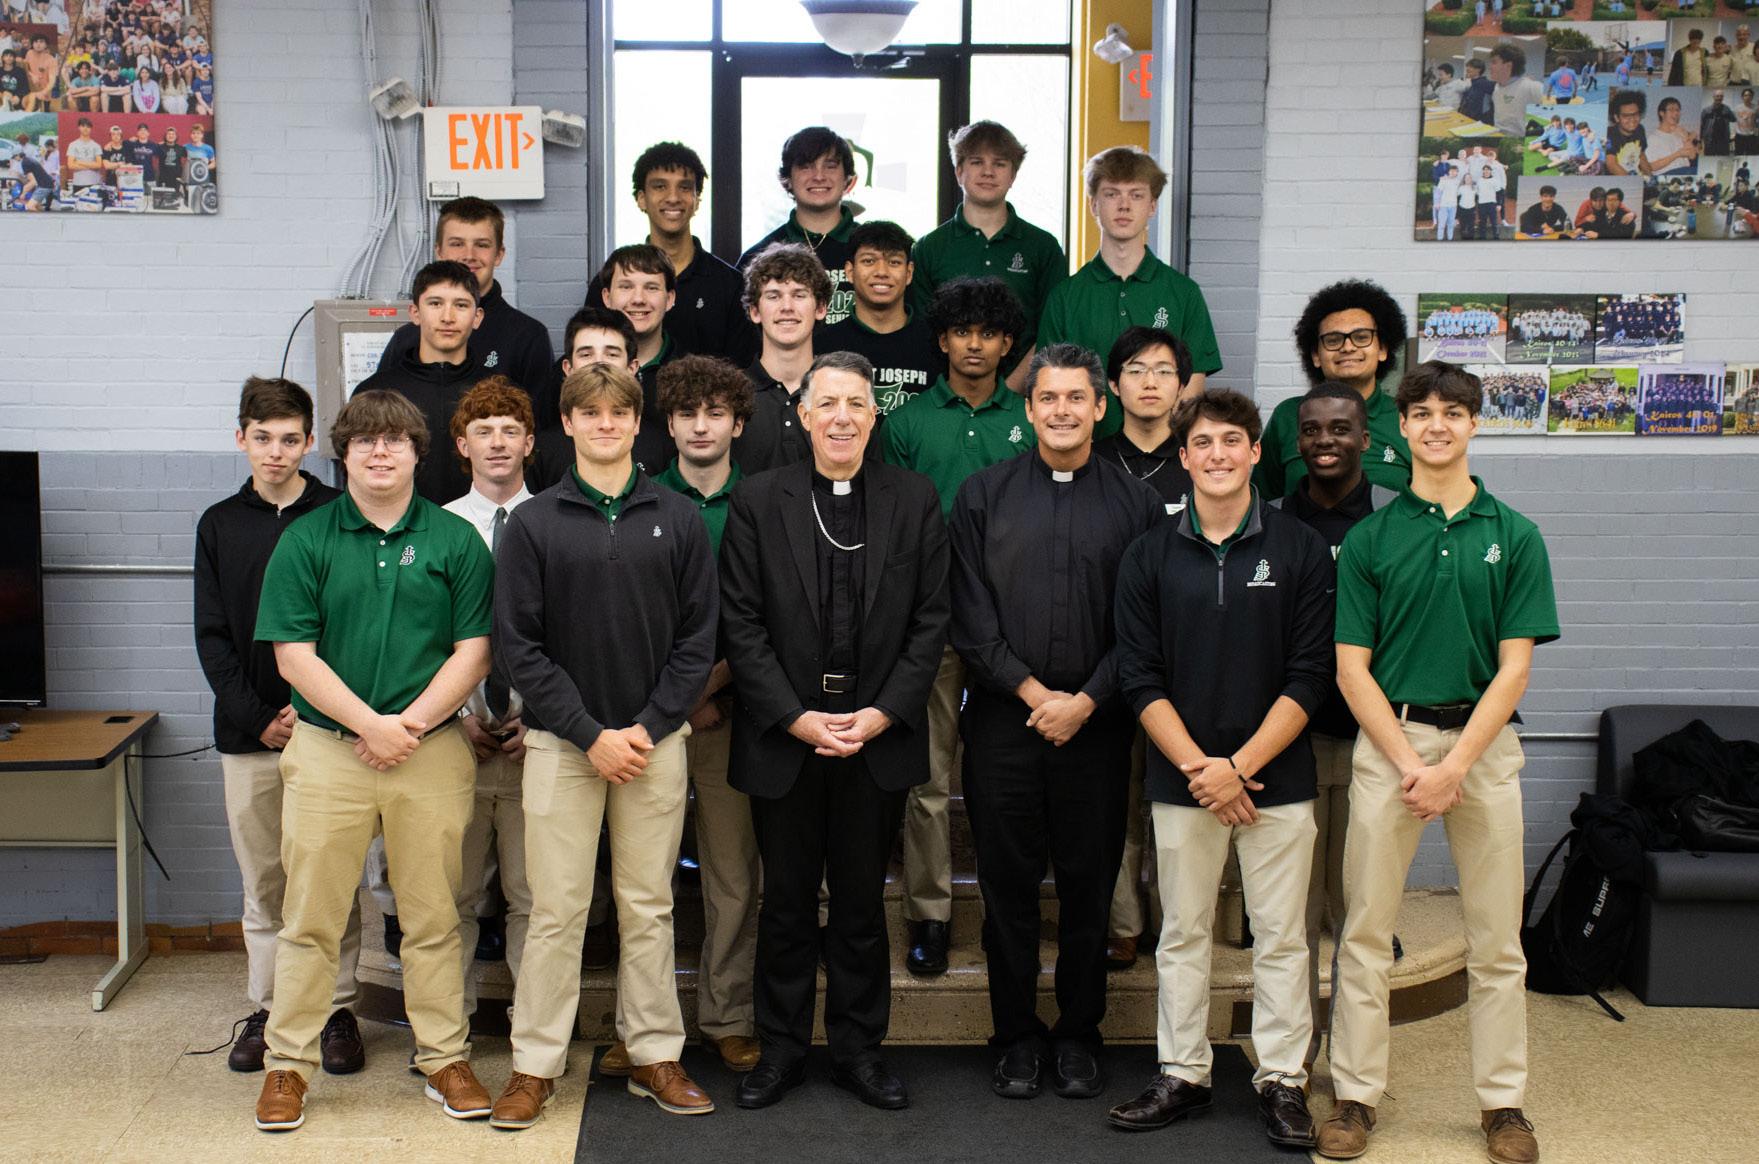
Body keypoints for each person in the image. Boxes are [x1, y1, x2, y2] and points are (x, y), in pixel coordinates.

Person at [1317, 362, 1558, 1164]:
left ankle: (1502, 1104)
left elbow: (1514, 669)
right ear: (1402, 427)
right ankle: (1354, 1095)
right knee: (1363, 932)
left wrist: (1454, 766)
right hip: (1391, 745)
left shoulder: (1514, 534)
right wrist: (1409, 762)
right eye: (1420, 413)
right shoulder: (1371, 539)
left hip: (1481, 749)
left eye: (1452, 413)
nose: (1436, 426)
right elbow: (1350, 669)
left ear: (1474, 424)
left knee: (1496, 941)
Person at [251, 390, 495, 1133]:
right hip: (330, 752)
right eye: (365, 441)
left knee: (434, 916)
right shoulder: (307, 539)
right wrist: (369, 726)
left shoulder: (456, 540)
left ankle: (444, 1057)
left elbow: (475, 650)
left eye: (395, 441)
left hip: (431, 752)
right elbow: (293, 656)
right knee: (311, 918)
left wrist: (408, 726)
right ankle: (287, 1066)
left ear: (419, 452)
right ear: (344, 453)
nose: (380, 452)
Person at [719, 351, 950, 1112]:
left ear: (874, 416)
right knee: (785, 903)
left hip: (874, 737)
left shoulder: (913, 498)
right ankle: (781, 1049)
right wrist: (794, 717)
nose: (842, 417)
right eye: (828, 404)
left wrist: (883, 713)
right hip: (785, 737)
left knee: (859, 905)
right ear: (805, 415)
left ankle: (858, 1050)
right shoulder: (758, 499)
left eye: (856, 404)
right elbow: (741, 623)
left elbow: (931, 620)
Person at [490, 362, 719, 1127]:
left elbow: (698, 640)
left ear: (636, 422)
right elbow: (519, 647)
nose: (605, 424)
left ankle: (653, 1054)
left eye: (618, 412)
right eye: (589, 413)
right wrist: (590, 735)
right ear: (567, 424)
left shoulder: (677, 517)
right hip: (562, 748)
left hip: (655, 744)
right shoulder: (533, 522)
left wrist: (646, 727)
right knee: (555, 910)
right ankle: (534, 1066)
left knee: (648, 906)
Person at [1108, 390, 1334, 1149]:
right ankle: (1183, 1073)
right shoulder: (1148, 554)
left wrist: (1237, 767)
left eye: (1232, 441)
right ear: (1183, 457)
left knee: (1282, 937)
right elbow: (1138, 677)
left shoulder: (1299, 548)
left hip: (1278, 780)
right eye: (1202, 443)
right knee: (1182, 933)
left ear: (1255, 452)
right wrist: (1200, 769)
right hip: (1182, 781)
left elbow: (1310, 675)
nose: (1217, 455)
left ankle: (1282, 1080)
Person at [949, 344, 1162, 1101]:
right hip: (1003, 725)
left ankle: (1077, 1032)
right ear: (1029, 408)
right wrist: (1036, 693)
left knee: (1087, 885)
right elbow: (969, 614)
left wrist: (1085, 701)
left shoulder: (1137, 504)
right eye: (1049, 398)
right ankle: (1013, 1035)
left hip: (1097, 728)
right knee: (1005, 887)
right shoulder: (982, 495)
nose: (1062, 410)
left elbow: (1144, 624)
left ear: (1101, 407)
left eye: (1077, 397)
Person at [194, 378, 362, 1078]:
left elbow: (351, 626)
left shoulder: (337, 515)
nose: (276, 452)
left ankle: (338, 1010)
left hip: (327, 732)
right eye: (262, 438)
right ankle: (268, 1008)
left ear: (309, 442)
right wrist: (258, 718)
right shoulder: (218, 524)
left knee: (329, 880)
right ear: (241, 439)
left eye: (290, 439)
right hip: (249, 737)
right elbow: (212, 637)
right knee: (265, 882)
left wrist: (316, 709)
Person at [882, 276, 1033, 976]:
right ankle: (930, 915)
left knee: (1012, 778)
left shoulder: (1030, 420)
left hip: (1013, 624)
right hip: (933, 620)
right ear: (942, 340)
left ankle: (1013, 910)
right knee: (928, 779)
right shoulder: (907, 423)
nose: (975, 344)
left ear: (1007, 343)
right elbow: (892, 531)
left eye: (989, 333)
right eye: (962, 332)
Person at [1265, 382, 1401, 1070]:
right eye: (1313, 429)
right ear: (1297, 441)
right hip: (1287, 743)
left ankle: (1351, 1059)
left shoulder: (1390, 525)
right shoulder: (1270, 525)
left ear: (1365, 440)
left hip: (1370, 742)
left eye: (1340, 429)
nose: (1325, 440)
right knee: (1289, 918)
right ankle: (1293, 1057)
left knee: (1358, 916)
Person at [649, 355, 763, 1075]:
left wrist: (707, 693)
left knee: (732, 876)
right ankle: (646, 1025)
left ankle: (728, 1017)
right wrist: (674, 701)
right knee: (646, 881)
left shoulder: (763, 503)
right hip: (647, 721)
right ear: (668, 424)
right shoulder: (639, 500)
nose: (700, 426)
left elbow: (769, 616)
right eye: (688, 413)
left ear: (737, 424)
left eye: (715, 413)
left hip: (728, 715)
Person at [440, 376, 538, 1022]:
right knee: (452, 897)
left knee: (537, 899)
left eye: (510, 430)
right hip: (457, 741)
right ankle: (446, 1032)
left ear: (529, 442)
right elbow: (423, 638)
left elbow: (574, 635)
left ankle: (536, 1033)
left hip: (539, 740)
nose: (497, 442)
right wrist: (452, 718)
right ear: (462, 444)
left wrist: (545, 717)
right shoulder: (439, 527)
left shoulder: (557, 520)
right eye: (483, 431)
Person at [1041, 146, 1219, 441]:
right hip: (1085, 453)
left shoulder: (1184, 293)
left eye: (1136, 195)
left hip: (1163, 455)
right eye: (1112, 194)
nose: (1124, 206)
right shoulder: (1064, 297)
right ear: (1094, 205)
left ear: (1152, 206)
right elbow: (1050, 385)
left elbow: (1192, 389)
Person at [373, 197, 560, 431]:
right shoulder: (408, 338)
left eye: (482, 244)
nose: (468, 255)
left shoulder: (528, 336)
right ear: (439, 251)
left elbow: (539, 426)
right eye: (457, 243)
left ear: (499, 254)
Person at [910, 120, 1067, 387]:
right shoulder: (928, 248)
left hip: (1023, 394)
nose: (988, 172)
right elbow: (923, 332)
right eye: (977, 162)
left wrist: (1011, 390)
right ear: (959, 171)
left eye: (999, 164)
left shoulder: (1043, 246)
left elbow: (1053, 329)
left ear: (1013, 175)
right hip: (946, 394)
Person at [586, 141, 754, 365]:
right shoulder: (609, 283)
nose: (673, 197)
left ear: (697, 200)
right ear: (641, 199)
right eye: (660, 186)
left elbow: (742, 370)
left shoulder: (730, 285)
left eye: (684, 187)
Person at [1258, 279, 1412, 500]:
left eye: (1361, 337)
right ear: (1315, 356)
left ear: (1383, 350)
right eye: (1333, 340)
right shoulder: (1287, 416)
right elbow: (1264, 503)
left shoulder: (1405, 418)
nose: (1347, 347)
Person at [352, 261, 485, 505]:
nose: (447, 317)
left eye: (461, 305)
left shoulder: (497, 393)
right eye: (435, 303)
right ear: (415, 312)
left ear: (477, 317)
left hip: (478, 526)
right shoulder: (375, 392)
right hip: (397, 523)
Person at [738, 126, 860, 326]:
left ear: (849, 181)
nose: (819, 176)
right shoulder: (758, 257)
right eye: (806, 166)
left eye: (830, 166)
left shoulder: (874, 251)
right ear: (787, 179)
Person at [819, 221, 940, 415]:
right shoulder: (823, 347)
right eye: (869, 261)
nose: (882, 272)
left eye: (894, 262)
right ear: (849, 272)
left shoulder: (935, 345)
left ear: (909, 273)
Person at [731, 243, 832, 474]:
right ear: (754, 311)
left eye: (799, 295)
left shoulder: (842, 395)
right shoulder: (729, 396)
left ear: (820, 308)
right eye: (773, 296)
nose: (787, 307)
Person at [528, 305, 642, 491]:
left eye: (612, 354)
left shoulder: (659, 446)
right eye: (586, 354)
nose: (599, 363)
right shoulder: (542, 450)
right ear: (568, 368)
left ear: (632, 368)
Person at [595, 242, 684, 476]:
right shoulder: (577, 369)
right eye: (626, 287)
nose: (638, 299)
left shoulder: (690, 376)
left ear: (670, 298)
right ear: (606, 297)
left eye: (651, 288)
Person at [1094, 326, 1197, 512]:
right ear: (1114, 385)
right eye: (1135, 371)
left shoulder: (1198, 460)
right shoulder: (1092, 460)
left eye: (1164, 371)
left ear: (1181, 387)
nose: (1150, 383)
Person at [1487, 43, 1544, 138]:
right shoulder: (1497, 88)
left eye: (1494, 62)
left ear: (1508, 66)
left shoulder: (1532, 87)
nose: (1490, 67)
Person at [64, 115, 103, 193]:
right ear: (79, 127)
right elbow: (70, 165)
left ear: (91, 129)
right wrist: (92, 165)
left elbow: (99, 165)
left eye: (88, 127)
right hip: (78, 183)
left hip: (94, 183)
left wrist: (79, 162)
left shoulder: (96, 146)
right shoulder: (73, 145)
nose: (85, 128)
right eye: (83, 126)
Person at [1459, 59, 1495, 125]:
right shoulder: (1472, 85)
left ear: (1478, 69)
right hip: (1469, 120)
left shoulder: (1485, 83)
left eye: (1470, 67)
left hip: (1481, 122)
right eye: (1467, 66)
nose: (1467, 69)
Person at [1702, 89, 1737, 157]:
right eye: (1717, 96)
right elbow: (1701, 125)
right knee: (1709, 157)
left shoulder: (1727, 109)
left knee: (1724, 156)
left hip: (1723, 141)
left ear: (1723, 97)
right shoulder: (1706, 110)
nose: (1719, 98)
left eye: (1721, 96)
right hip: (1710, 141)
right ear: (1713, 97)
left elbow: (1733, 119)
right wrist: (1700, 141)